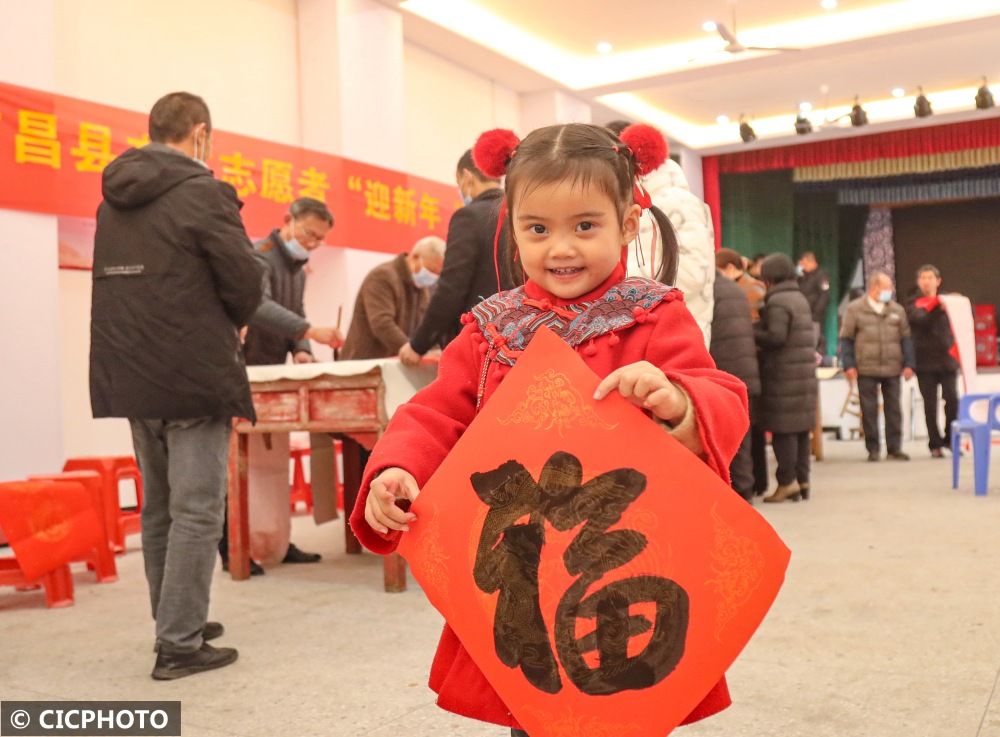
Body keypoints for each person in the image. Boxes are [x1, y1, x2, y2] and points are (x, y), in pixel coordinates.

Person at [351, 122, 748, 735]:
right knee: (533, 701)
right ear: (512, 229)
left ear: (628, 224)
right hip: (524, 570)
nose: (560, 248)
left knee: (624, 695)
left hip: (623, 564)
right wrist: (398, 467)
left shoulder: (653, 314)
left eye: (585, 226)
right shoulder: (492, 328)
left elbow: (722, 392)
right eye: (538, 229)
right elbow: (437, 413)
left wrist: (678, 402)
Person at [90, 92, 263, 679]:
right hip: (191, 371)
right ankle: (181, 644)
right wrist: (237, 318)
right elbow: (243, 280)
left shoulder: (112, 200)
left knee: (159, 507)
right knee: (197, 511)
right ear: (200, 133)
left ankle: (173, 618)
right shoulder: (203, 191)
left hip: (131, 371)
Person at [222, 197, 343, 574]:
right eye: (309, 234)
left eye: (319, 240)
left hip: (274, 371)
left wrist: (302, 349)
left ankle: (274, 539)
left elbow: (297, 313)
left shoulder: (295, 266)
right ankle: (233, 547)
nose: (311, 244)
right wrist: (309, 332)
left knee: (273, 464)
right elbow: (258, 306)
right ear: (288, 221)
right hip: (246, 370)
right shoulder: (261, 256)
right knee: (242, 466)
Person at [398, 150, 514, 366]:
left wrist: (418, 344)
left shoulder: (468, 217)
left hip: (478, 343)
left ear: (466, 177)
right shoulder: (515, 214)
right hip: (518, 335)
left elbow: (451, 288)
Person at [606, 119, 716, 346]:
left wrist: (616, 291)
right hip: (647, 334)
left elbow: (689, 276)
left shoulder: (674, 202)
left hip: (672, 340)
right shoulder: (635, 201)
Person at [754, 255, 819, 503]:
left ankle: (786, 483)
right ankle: (803, 481)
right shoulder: (799, 297)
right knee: (801, 430)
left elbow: (776, 337)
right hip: (801, 374)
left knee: (784, 431)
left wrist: (751, 331)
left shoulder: (778, 301)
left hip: (783, 376)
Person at [840, 272, 916, 462]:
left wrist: (909, 363)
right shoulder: (855, 309)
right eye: (886, 288)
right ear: (874, 288)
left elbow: (906, 339)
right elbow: (847, 339)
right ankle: (872, 448)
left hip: (892, 367)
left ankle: (894, 448)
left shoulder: (897, 310)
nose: (889, 292)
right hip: (866, 367)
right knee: (869, 409)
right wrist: (848, 364)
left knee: (894, 409)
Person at [340, 236, 446, 360]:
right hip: (365, 364)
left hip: (393, 366)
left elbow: (424, 325)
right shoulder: (382, 277)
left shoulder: (422, 288)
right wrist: (413, 350)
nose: (433, 277)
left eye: (438, 274)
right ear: (415, 257)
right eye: (431, 270)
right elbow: (382, 323)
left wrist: (431, 349)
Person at [710, 266, 761, 502]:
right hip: (746, 369)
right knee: (743, 432)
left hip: (721, 368)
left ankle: (738, 492)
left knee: (726, 436)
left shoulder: (709, 291)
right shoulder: (736, 290)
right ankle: (747, 487)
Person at [906, 264, 958, 458]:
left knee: (952, 399)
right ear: (919, 282)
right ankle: (934, 443)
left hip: (948, 360)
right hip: (925, 362)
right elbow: (921, 319)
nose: (926, 281)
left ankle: (951, 439)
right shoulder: (913, 303)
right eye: (923, 278)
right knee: (930, 404)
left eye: (930, 278)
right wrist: (938, 306)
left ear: (938, 281)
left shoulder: (949, 301)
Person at [716, 248, 766, 321]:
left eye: (718, 271)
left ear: (730, 267)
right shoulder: (752, 285)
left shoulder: (754, 287)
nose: (716, 275)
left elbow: (754, 319)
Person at [797, 251, 831, 354]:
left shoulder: (821, 275)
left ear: (811, 262)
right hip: (802, 314)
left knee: (817, 340)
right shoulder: (802, 276)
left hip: (815, 316)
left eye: (804, 264)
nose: (802, 267)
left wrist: (816, 314)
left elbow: (824, 295)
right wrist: (797, 273)